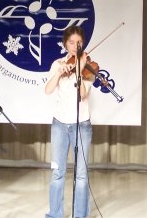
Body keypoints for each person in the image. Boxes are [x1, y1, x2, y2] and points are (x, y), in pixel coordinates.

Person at [44, 25, 93, 218]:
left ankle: (80, 215)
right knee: (57, 172)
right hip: (59, 124)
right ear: (65, 44)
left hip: (82, 125)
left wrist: (79, 70)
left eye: (79, 42)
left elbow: (82, 95)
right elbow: (47, 90)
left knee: (81, 175)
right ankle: (54, 214)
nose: (75, 46)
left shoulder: (88, 66)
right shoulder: (57, 64)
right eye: (71, 42)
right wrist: (59, 73)